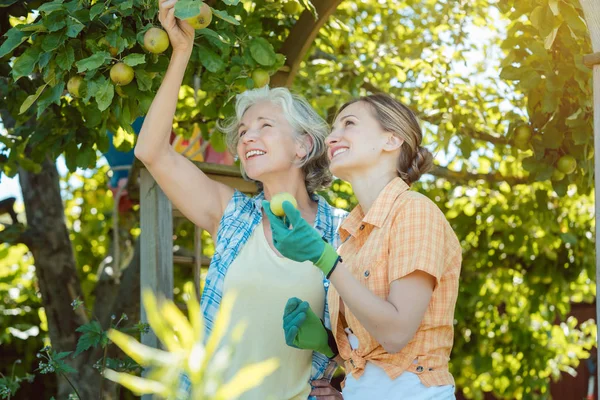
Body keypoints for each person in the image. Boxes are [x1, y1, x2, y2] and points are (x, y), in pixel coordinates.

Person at [134, 1, 347, 398]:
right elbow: (152, 151)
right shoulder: (230, 215)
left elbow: (373, 338)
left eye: (265, 126)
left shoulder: (346, 231)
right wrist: (181, 52)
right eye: (244, 131)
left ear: (303, 146)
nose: (248, 137)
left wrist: (348, 388)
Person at [264, 94, 462, 399]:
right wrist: (330, 346)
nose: (331, 137)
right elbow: (374, 356)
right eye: (333, 128)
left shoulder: (414, 212)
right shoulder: (352, 239)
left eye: (349, 123)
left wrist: (325, 260)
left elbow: (396, 334)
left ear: (391, 140)